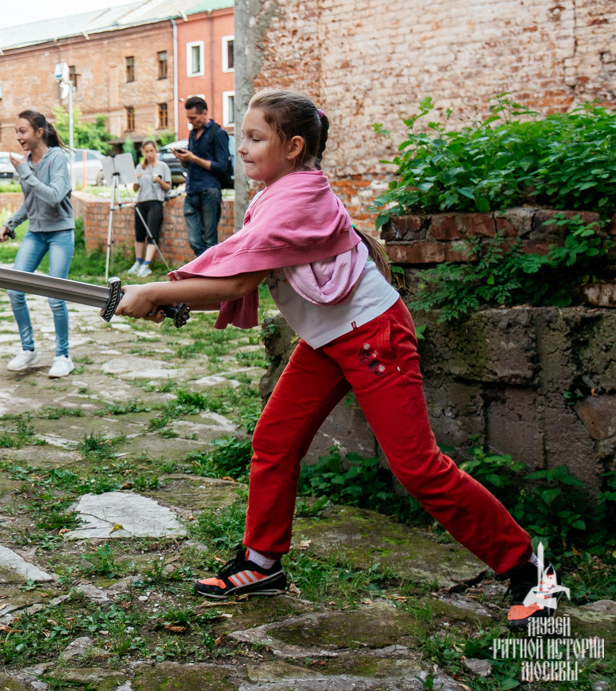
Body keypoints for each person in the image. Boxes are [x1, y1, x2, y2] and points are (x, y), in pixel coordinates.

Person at [115, 90, 544, 629]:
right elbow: (243, 264)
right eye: (239, 137)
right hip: (330, 341)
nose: (240, 148)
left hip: (372, 337)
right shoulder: (280, 192)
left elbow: (242, 277)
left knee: (418, 468)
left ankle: (527, 567)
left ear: (293, 146)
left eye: (254, 138)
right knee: (274, 439)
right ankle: (262, 563)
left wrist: (157, 292)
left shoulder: (298, 197)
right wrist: (172, 296)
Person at [0, 110, 76, 379]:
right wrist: (11, 223)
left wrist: (24, 173)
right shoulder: (27, 162)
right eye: (16, 131)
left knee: (55, 295)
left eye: (22, 131)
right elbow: (31, 201)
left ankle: (63, 355)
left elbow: (54, 196)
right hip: (35, 232)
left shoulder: (57, 159)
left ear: (39, 132)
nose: (18, 137)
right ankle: (28, 349)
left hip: (60, 233)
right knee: (15, 290)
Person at [173, 96, 232, 256]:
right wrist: (184, 159)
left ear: (204, 113)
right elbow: (190, 163)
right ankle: (205, 271)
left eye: (193, 118)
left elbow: (221, 166)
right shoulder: (193, 134)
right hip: (191, 191)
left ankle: (209, 276)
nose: (190, 122)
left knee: (210, 241)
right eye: (188, 118)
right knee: (194, 240)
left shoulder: (218, 133)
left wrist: (193, 158)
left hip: (209, 191)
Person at [128, 140, 173, 277]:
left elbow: (168, 187)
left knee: (152, 232)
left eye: (151, 151)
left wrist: (159, 181)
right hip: (141, 201)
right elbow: (135, 189)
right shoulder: (140, 167)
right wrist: (136, 179)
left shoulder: (163, 166)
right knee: (139, 233)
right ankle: (138, 261)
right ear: (143, 152)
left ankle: (147, 264)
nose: (149, 154)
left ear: (155, 151)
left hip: (155, 201)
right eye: (146, 151)